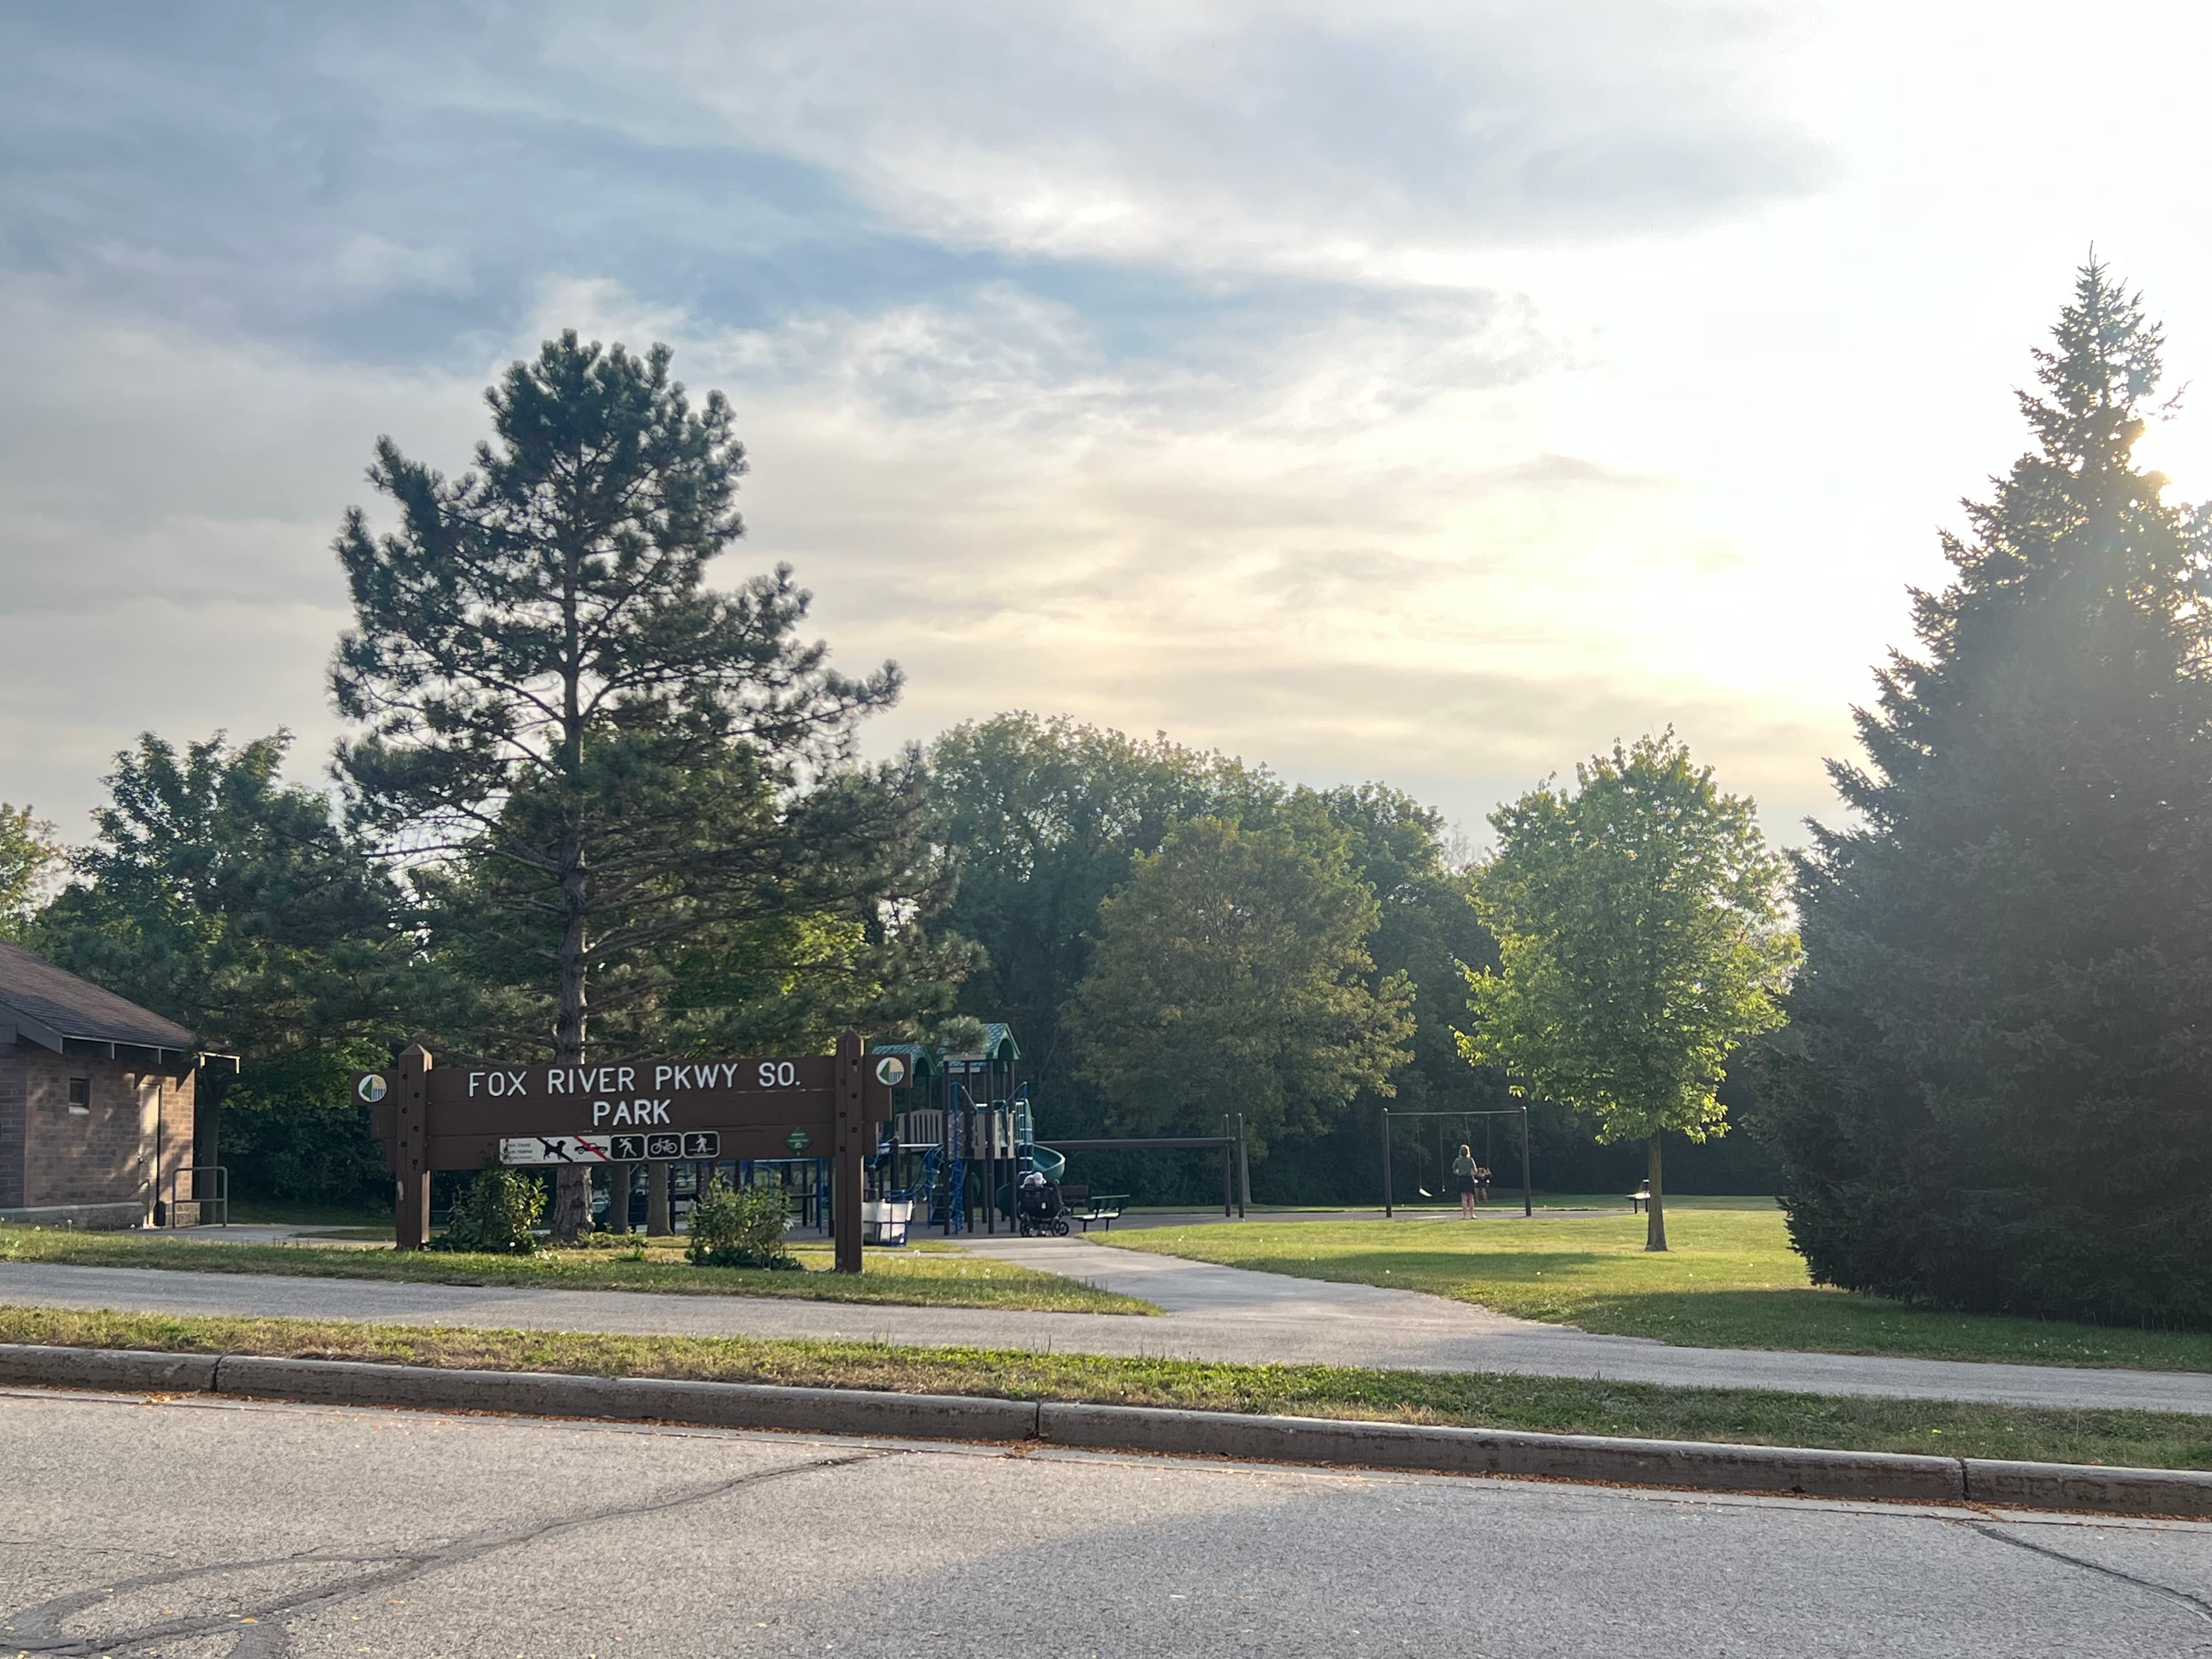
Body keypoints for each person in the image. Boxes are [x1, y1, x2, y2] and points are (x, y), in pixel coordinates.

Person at [1452, 1145, 1479, 1218]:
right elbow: (1475, 1171)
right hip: (1469, 1179)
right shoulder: (1470, 1160)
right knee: (1471, 1198)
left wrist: (1459, 1173)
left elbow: (1454, 1171)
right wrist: (1472, 1173)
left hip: (1461, 1179)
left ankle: (1464, 1215)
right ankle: (1472, 1214)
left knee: (1464, 1198)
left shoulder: (1457, 1160)